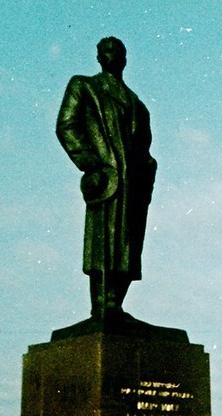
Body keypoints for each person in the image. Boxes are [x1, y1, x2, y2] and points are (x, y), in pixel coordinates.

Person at [56, 37, 157, 318]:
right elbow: (66, 125)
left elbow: (144, 145)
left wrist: (148, 170)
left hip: (134, 183)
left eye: (118, 52)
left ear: (125, 58)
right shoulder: (84, 86)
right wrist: (91, 165)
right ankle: (101, 305)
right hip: (108, 179)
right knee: (103, 245)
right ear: (98, 58)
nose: (112, 56)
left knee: (129, 246)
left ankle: (116, 304)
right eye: (106, 52)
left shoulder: (138, 104)